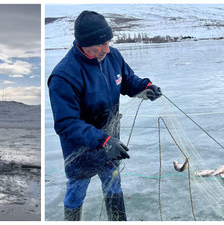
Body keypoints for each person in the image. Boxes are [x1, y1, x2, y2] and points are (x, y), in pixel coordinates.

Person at [48, 10, 162, 221]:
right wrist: (103, 141)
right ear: (84, 43)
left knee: (113, 184)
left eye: (108, 42)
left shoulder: (113, 56)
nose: (107, 49)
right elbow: (66, 124)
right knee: (76, 191)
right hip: (80, 152)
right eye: (101, 44)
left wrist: (145, 87)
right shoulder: (64, 76)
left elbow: (127, 81)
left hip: (111, 145)